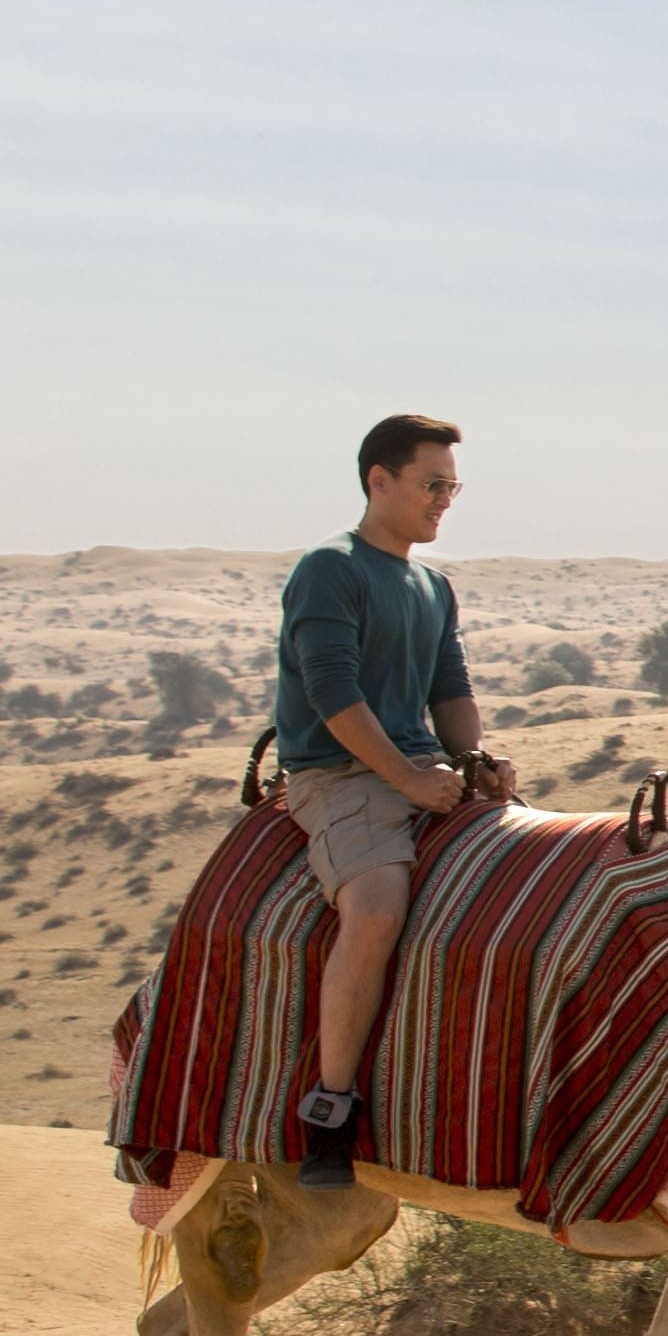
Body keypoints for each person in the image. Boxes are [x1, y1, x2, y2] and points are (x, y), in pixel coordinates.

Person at [274, 413, 512, 1189]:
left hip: (423, 771)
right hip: (339, 776)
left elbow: (452, 691)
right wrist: (407, 780)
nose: (444, 501)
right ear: (379, 481)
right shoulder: (329, 569)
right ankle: (330, 1110)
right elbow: (331, 693)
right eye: (431, 484)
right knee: (376, 908)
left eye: (452, 487)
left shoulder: (431, 586)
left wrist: (475, 761)